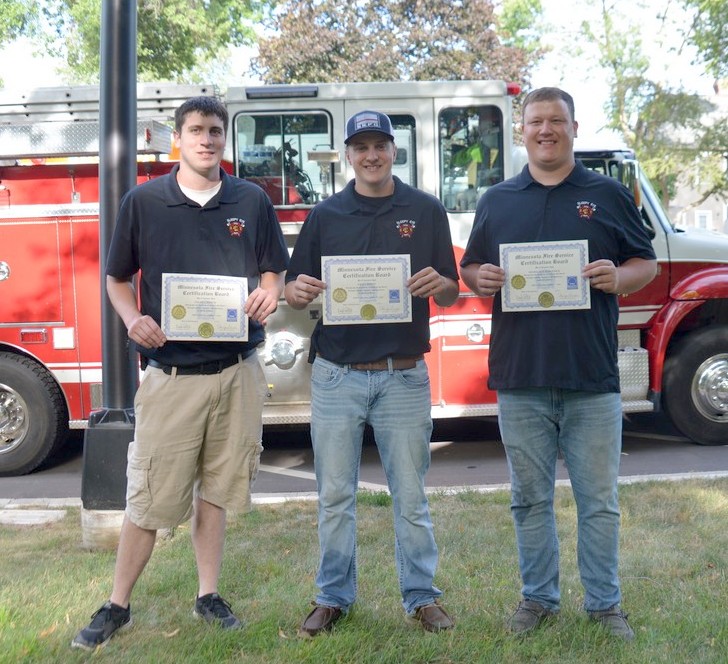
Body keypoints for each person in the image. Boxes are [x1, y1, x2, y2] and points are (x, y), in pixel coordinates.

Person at [72, 96, 289, 650]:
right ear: (178, 137)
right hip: (171, 376)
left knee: (216, 492)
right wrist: (133, 318)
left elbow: (273, 271)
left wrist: (268, 293)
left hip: (237, 371)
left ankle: (207, 595)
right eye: (196, 130)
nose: (207, 139)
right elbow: (117, 278)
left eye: (215, 131)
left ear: (224, 138)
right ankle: (117, 604)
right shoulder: (144, 201)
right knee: (149, 497)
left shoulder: (251, 200)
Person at [460, 87, 657, 641]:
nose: (546, 130)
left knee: (599, 501)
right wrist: (482, 280)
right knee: (529, 499)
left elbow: (645, 260)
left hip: (591, 374)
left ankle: (604, 603)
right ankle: (538, 599)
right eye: (536, 121)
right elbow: (472, 269)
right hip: (520, 376)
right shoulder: (497, 199)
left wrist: (619, 277)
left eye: (556, 121)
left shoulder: (607, 194)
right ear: (521, 130)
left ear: (575, 126)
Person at [285, 110, 459, 636]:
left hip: (403, 373)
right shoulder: (325, 215)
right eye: (360, 147)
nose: (371, 155)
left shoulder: (425, 210)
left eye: (379, 145)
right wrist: (297, 292)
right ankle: (333, 596)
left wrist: (439, 285)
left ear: (394, 150)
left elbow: (451, 289)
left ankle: (422, 597)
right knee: (335, 494)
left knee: (410, 495)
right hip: (337, 374)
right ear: (348, 156)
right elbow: (295, 289)